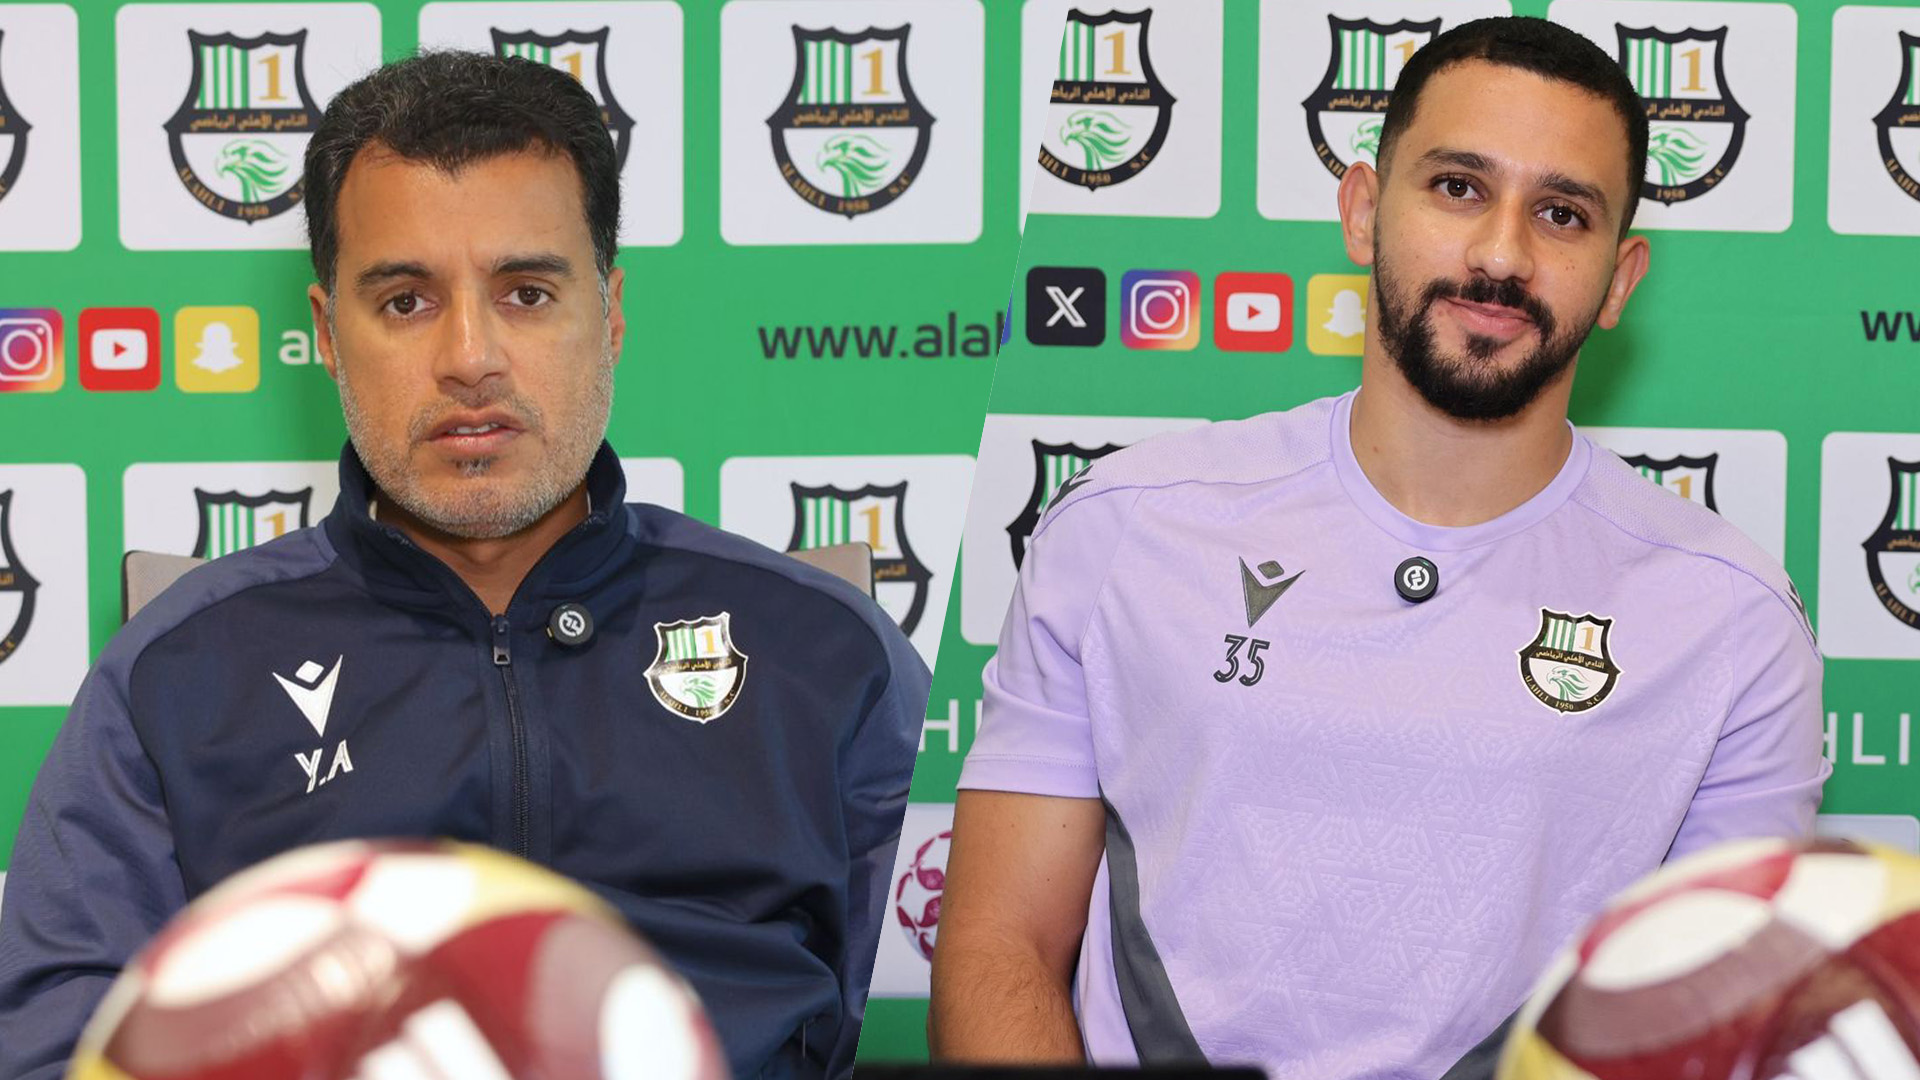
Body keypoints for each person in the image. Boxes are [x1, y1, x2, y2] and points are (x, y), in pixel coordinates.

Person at [928, 17, 1826, 1080]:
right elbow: (1001, 946)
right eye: (1458, 187)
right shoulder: (1127, 524)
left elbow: (1713, 1029)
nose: (1502, 254)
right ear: (1363, 211)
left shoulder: (1731, 619)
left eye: (1561, 213)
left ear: (1620, 277)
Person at [0, 51, 926, 1080]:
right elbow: (67, 1042)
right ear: (328, 335)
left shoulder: (825, 649)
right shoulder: (177, 671)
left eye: (527, 292)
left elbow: (897, 1005)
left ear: (611, 315)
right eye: (406, 301)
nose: (471, 357)